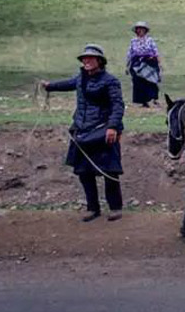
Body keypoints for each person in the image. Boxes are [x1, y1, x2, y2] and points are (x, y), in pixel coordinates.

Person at [42, 44, 125, 222]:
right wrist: (49, 86)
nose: (86, 61)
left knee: (110, 170)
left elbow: (118, 105)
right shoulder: (80, 78)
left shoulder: (111, 81)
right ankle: (93, 208)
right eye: (84, 58)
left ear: (99, 61)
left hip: (103, 130)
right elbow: (67, 84)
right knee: (84, 172)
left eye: (90, 58)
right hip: (81, 130)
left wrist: (112, 127)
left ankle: (115, 207)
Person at [125, 21, 161, 107]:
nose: (140, 31)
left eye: (142, 29)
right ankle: (142, 101)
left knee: (150, 81)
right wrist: (127, 65)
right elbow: (130, 53)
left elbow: (155, 52)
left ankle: (152, 99)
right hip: (137, 64)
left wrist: (159, 63)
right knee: (138, 82)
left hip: (149, 62)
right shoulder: (133, 41)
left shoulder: (150, 40)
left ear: (145, 30)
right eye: (138, 29)